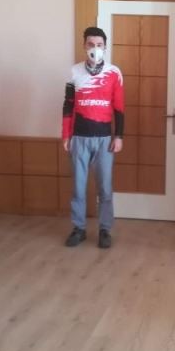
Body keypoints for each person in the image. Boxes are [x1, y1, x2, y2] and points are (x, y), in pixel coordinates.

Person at [62, 27, 124, 249]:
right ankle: (78, 228)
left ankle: (105, 229)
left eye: (99, 45)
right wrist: (65, 134)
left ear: (105, 47)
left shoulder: (114, 72)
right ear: (84, 46)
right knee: (78, 188)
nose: (95, 48)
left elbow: (119, 108)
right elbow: (68, 105)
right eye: (91, 44)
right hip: (79, 137)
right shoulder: (74, 71)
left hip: (104, 138)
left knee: (105, 188)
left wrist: (119, 136)